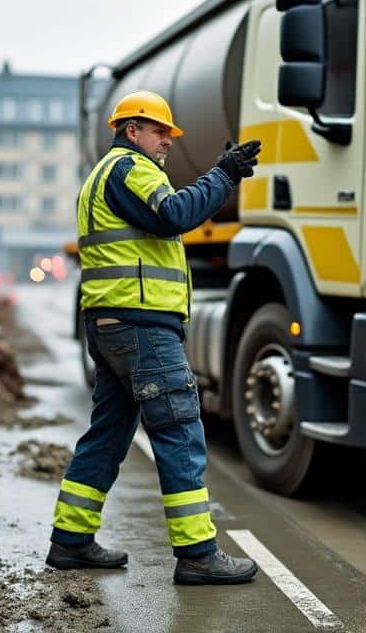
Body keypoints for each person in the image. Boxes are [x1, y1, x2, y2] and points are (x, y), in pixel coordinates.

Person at [46, 89, 262, 585]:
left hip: (113, 324)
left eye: (168, 132)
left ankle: (71, 539)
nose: (167, 140)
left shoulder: (106, 176)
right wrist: (224, 173)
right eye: (159, 130)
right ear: (131, 130)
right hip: (141, 325)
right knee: (179, 429)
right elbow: (175, 214)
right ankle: (198, 554)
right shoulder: (129, 169)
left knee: (108, 433)